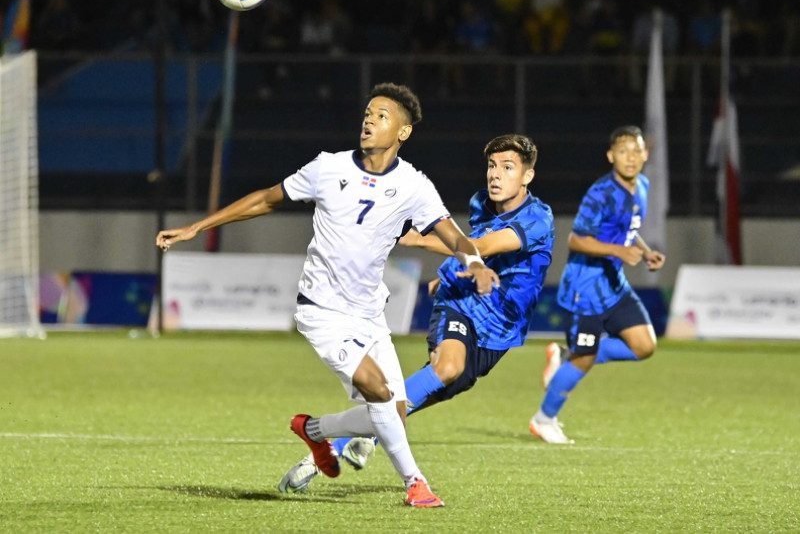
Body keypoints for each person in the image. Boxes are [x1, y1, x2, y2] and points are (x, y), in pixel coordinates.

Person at [155, 83, 499, 508]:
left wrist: (477, 263)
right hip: (322, 310)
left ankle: (314, 431)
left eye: (382, 116)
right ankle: (416, 484)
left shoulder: (414, 185)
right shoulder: (328, 167)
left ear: (403, 132)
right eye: (368, 113)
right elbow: (266, 199)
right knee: (377, 391)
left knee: (397, 410)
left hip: (369, 312)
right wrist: (196, 227)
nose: (369, 120)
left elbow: (455, 237)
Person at [278, 133, 555, 492]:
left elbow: (484, 246)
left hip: (501, 329)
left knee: (406, 402)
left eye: (507, 167)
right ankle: (349, 451)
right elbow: (473, 251)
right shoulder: (482, 203)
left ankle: (318, 431)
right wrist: (457, 276)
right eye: (491, 166)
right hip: (461, 304)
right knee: (447, 367)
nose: (496, 175)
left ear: (527, 176)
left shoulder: (538, 218)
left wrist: (420, 240)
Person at [529, 125, 666, 445]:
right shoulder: (601, 193)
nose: (630, 158)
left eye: (636, 151)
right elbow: (576, 240)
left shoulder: (642, 186)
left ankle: (565, 356)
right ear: (610, 156)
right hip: (585, 289)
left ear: (646, 155)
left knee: (644, 346)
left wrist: (645, 253)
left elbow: (627, 229)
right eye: (622, 151)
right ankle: (544, 419)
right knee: (585, 359)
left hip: (613, 285)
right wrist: (619, 251)